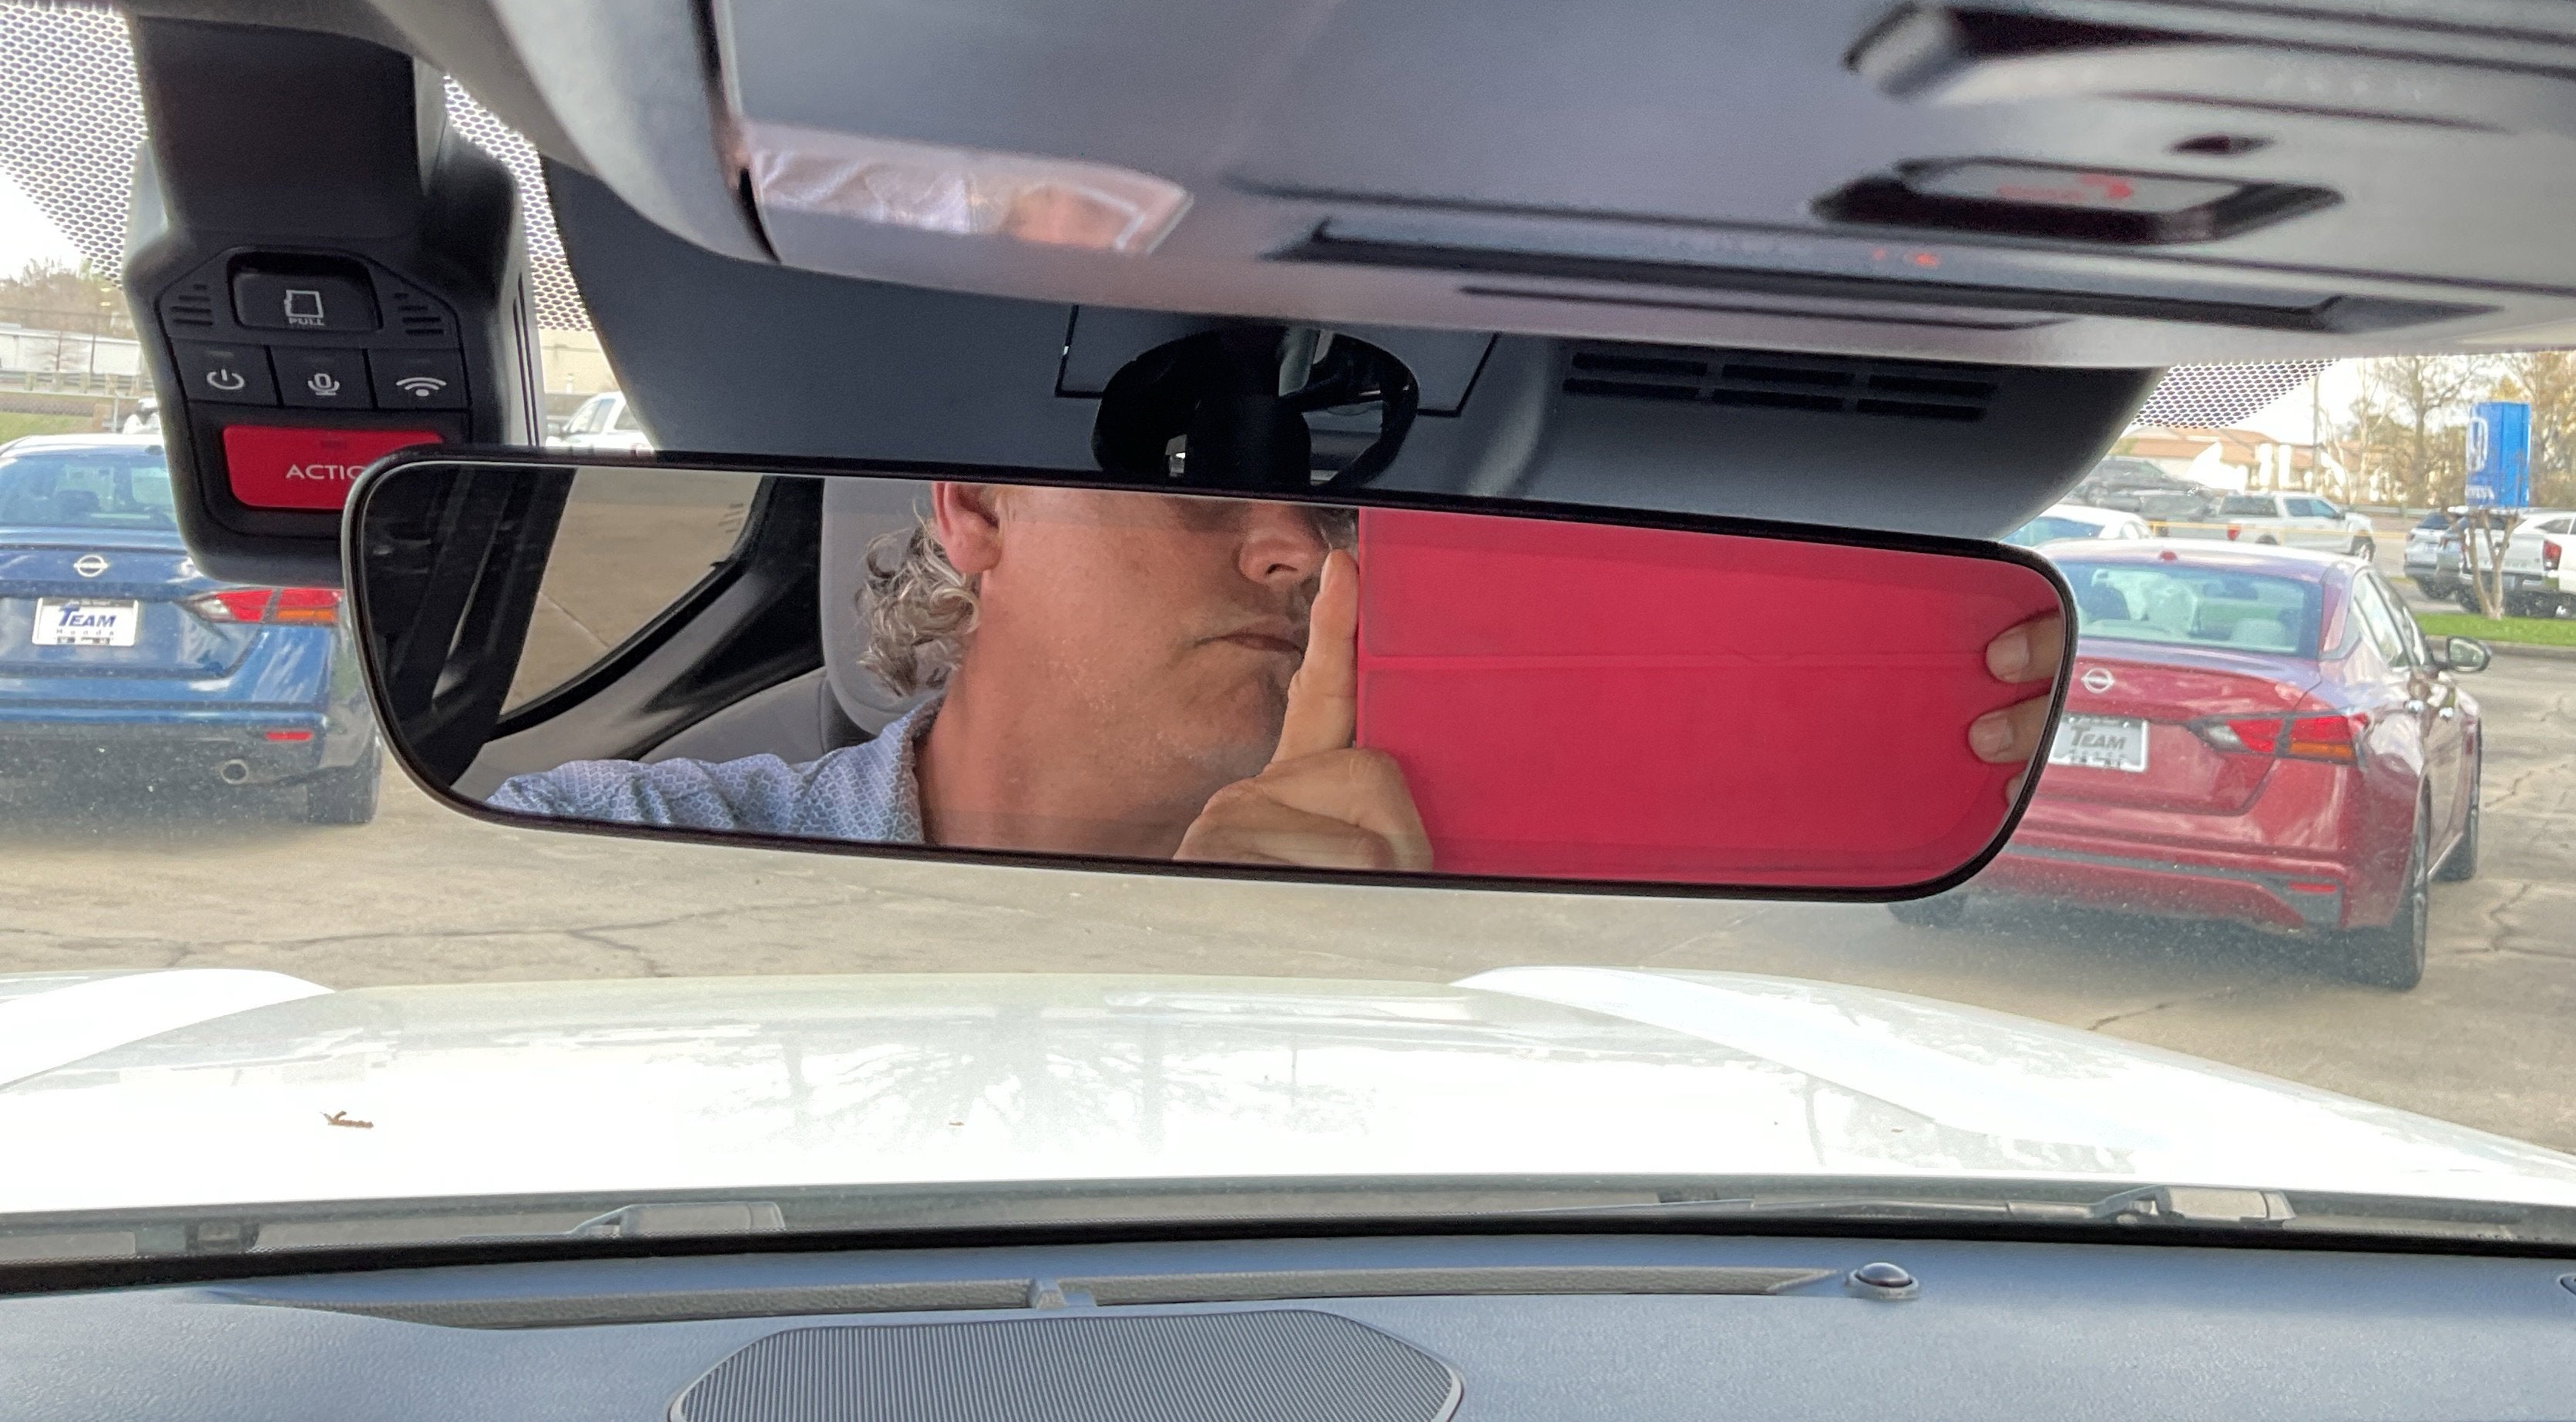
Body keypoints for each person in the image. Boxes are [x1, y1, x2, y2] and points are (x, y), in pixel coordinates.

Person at [491, 484, 2066, 866]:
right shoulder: (620, 846)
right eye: (1191, 481)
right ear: (977, 514)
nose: (1296, 551)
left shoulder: (1485, 910)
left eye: (1340, 515)